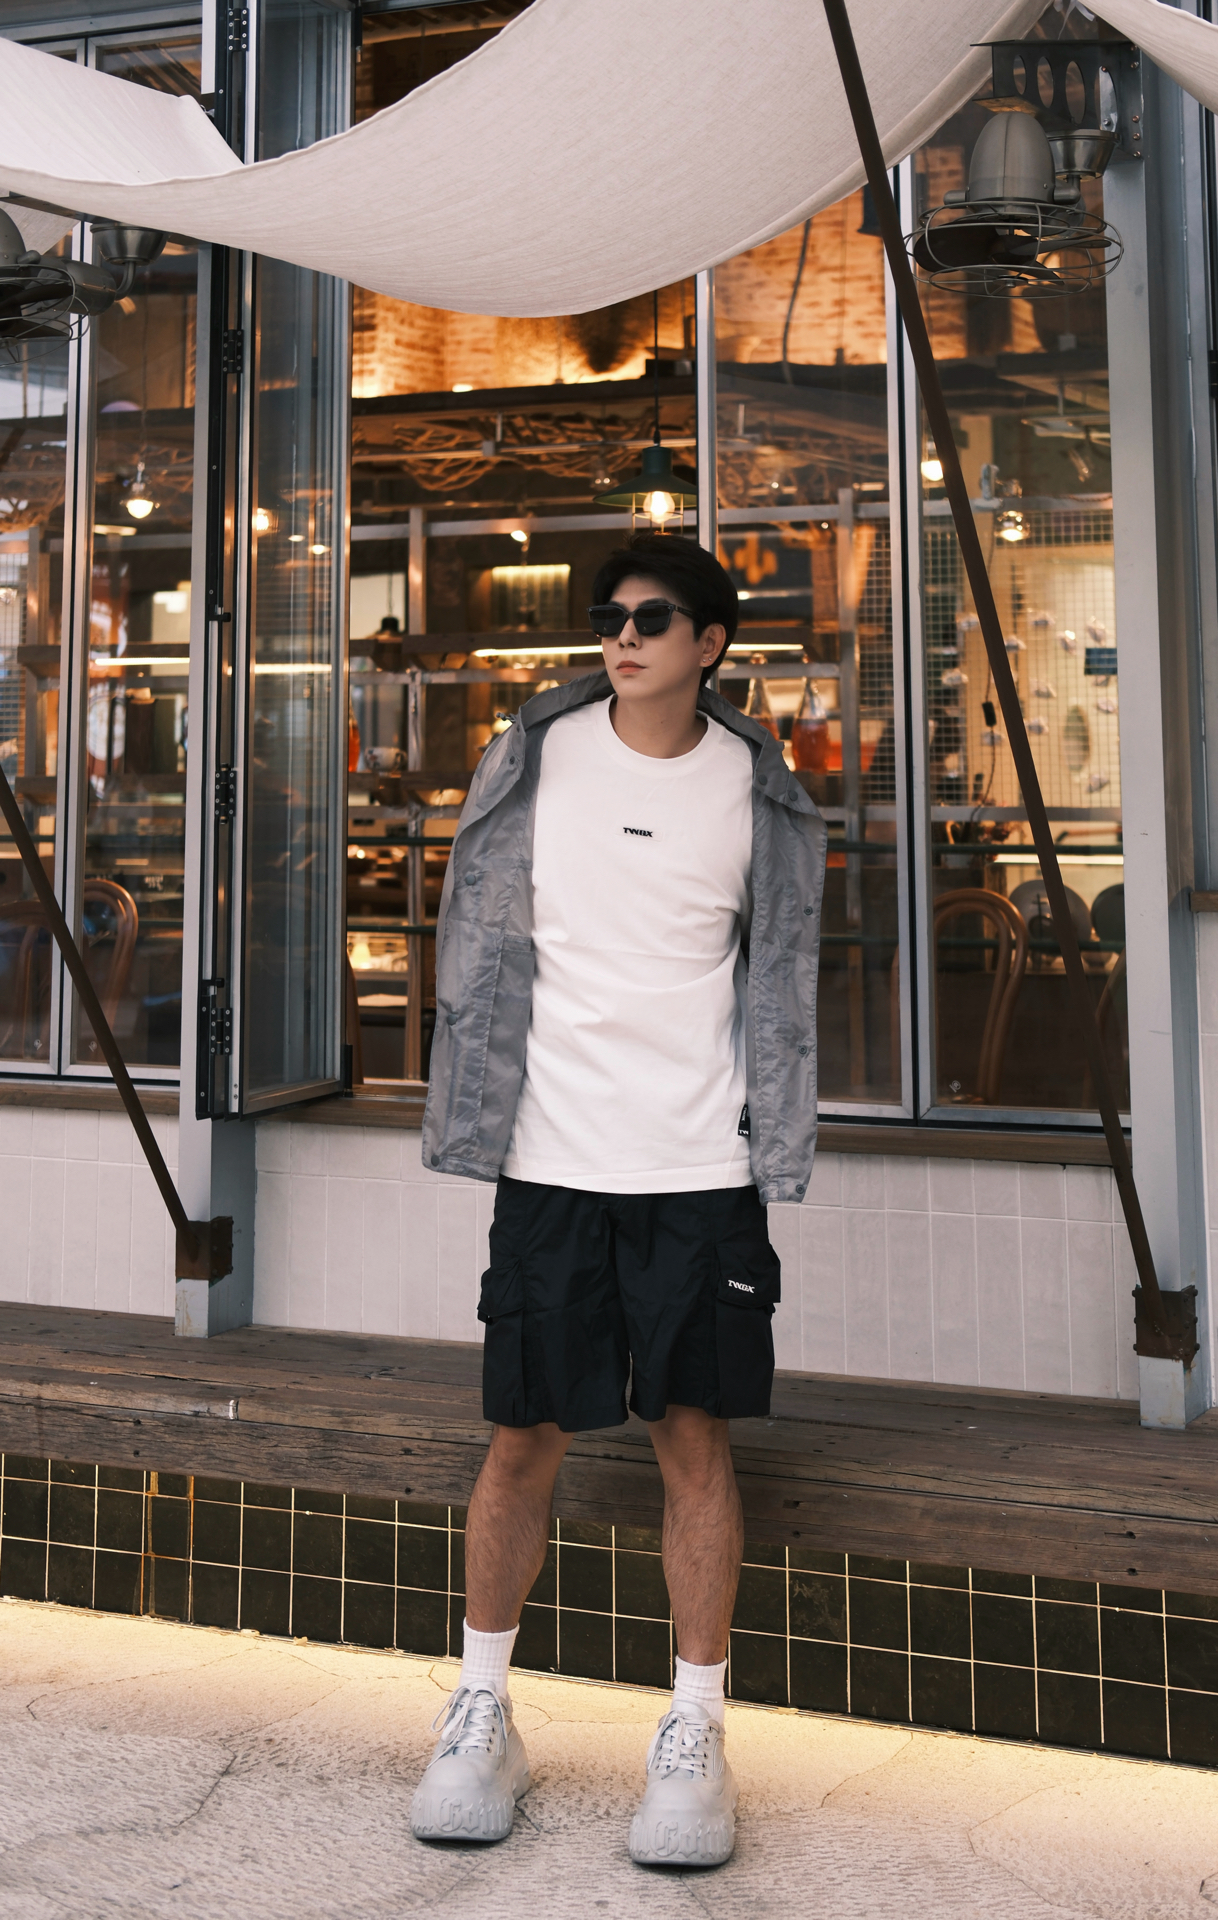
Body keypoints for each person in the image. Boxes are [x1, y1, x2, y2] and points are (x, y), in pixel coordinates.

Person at [411, 531, 825, 1866]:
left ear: (712, 643)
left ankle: (695, 1732)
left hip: (701, 1167)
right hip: (549, 1157)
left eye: (652, 617)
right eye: (609, 617)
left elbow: (782, 978)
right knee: (522, 1434)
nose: (623, 637)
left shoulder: (760, 792)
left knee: (693, 1438)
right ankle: (481, 1711)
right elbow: (472, 935)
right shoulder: (533, 758)